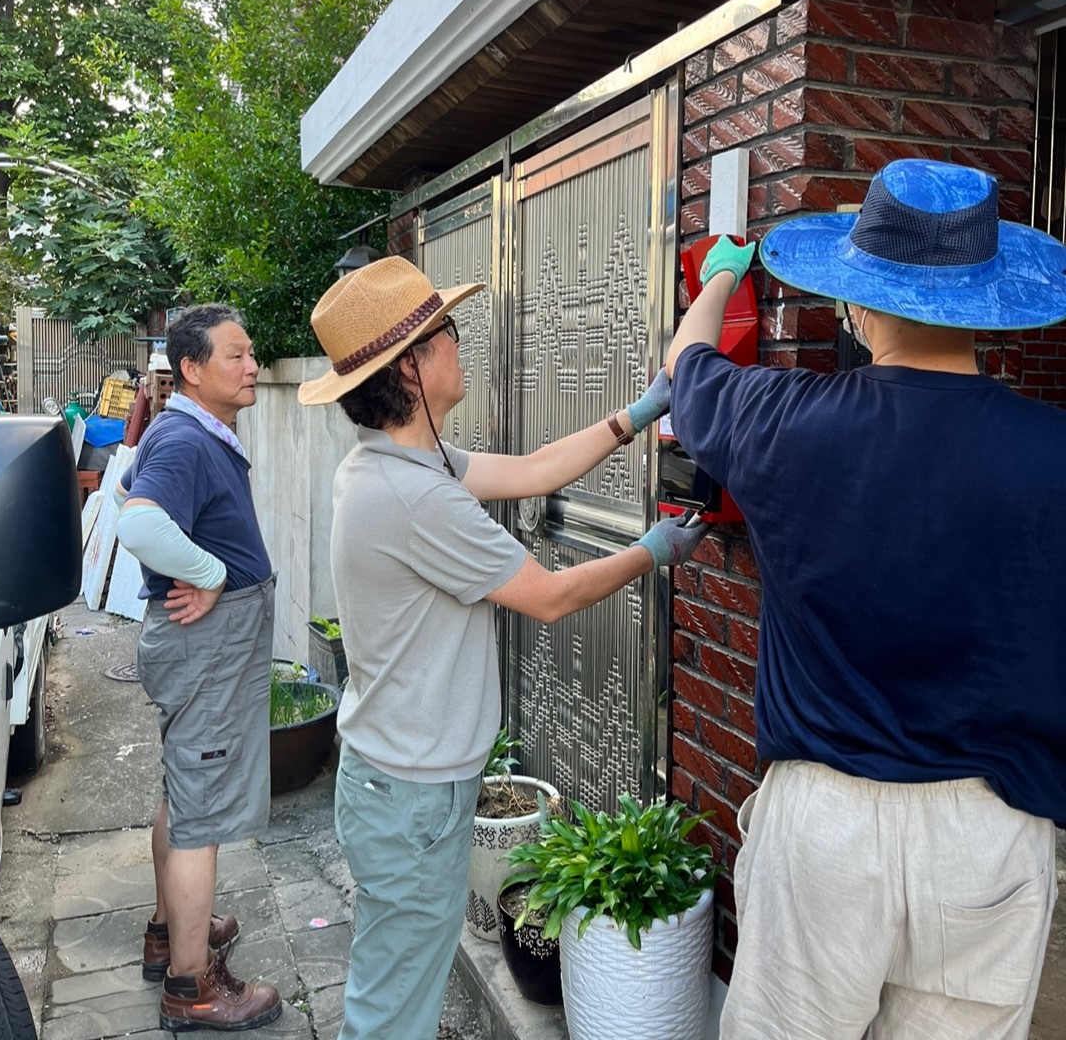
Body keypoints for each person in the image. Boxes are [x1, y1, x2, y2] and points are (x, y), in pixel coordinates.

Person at [665, 158, 1066, 1040]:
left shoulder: (780, 420)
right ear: (986, 307)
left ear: (861, 303)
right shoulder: (1052, 454)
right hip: (989, 837)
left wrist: (726, 270)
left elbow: (687, 361)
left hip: (824, 831)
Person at [296, 255, 708, 1040]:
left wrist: (642, 411)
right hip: (411, 795)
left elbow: (533, 470)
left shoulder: (397, 464)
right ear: (413, 366)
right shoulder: (416, 497)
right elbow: (549, 598)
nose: (462, 345)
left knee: (397, 986)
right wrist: (651, 552)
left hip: (397, 781)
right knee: (393, 1012)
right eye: (449, 333)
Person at [116, 304, 282, 1032]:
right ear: (192, 368)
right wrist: (212, 571)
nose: (253, 367)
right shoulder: (184, 436)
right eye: (237, 356)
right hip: (205, 647)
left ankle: (169, 927)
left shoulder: (184, 430)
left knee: (184, 793)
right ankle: (193, 988)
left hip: (205, 648)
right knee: (199, 814)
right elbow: (137, 521)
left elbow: (127, 490)